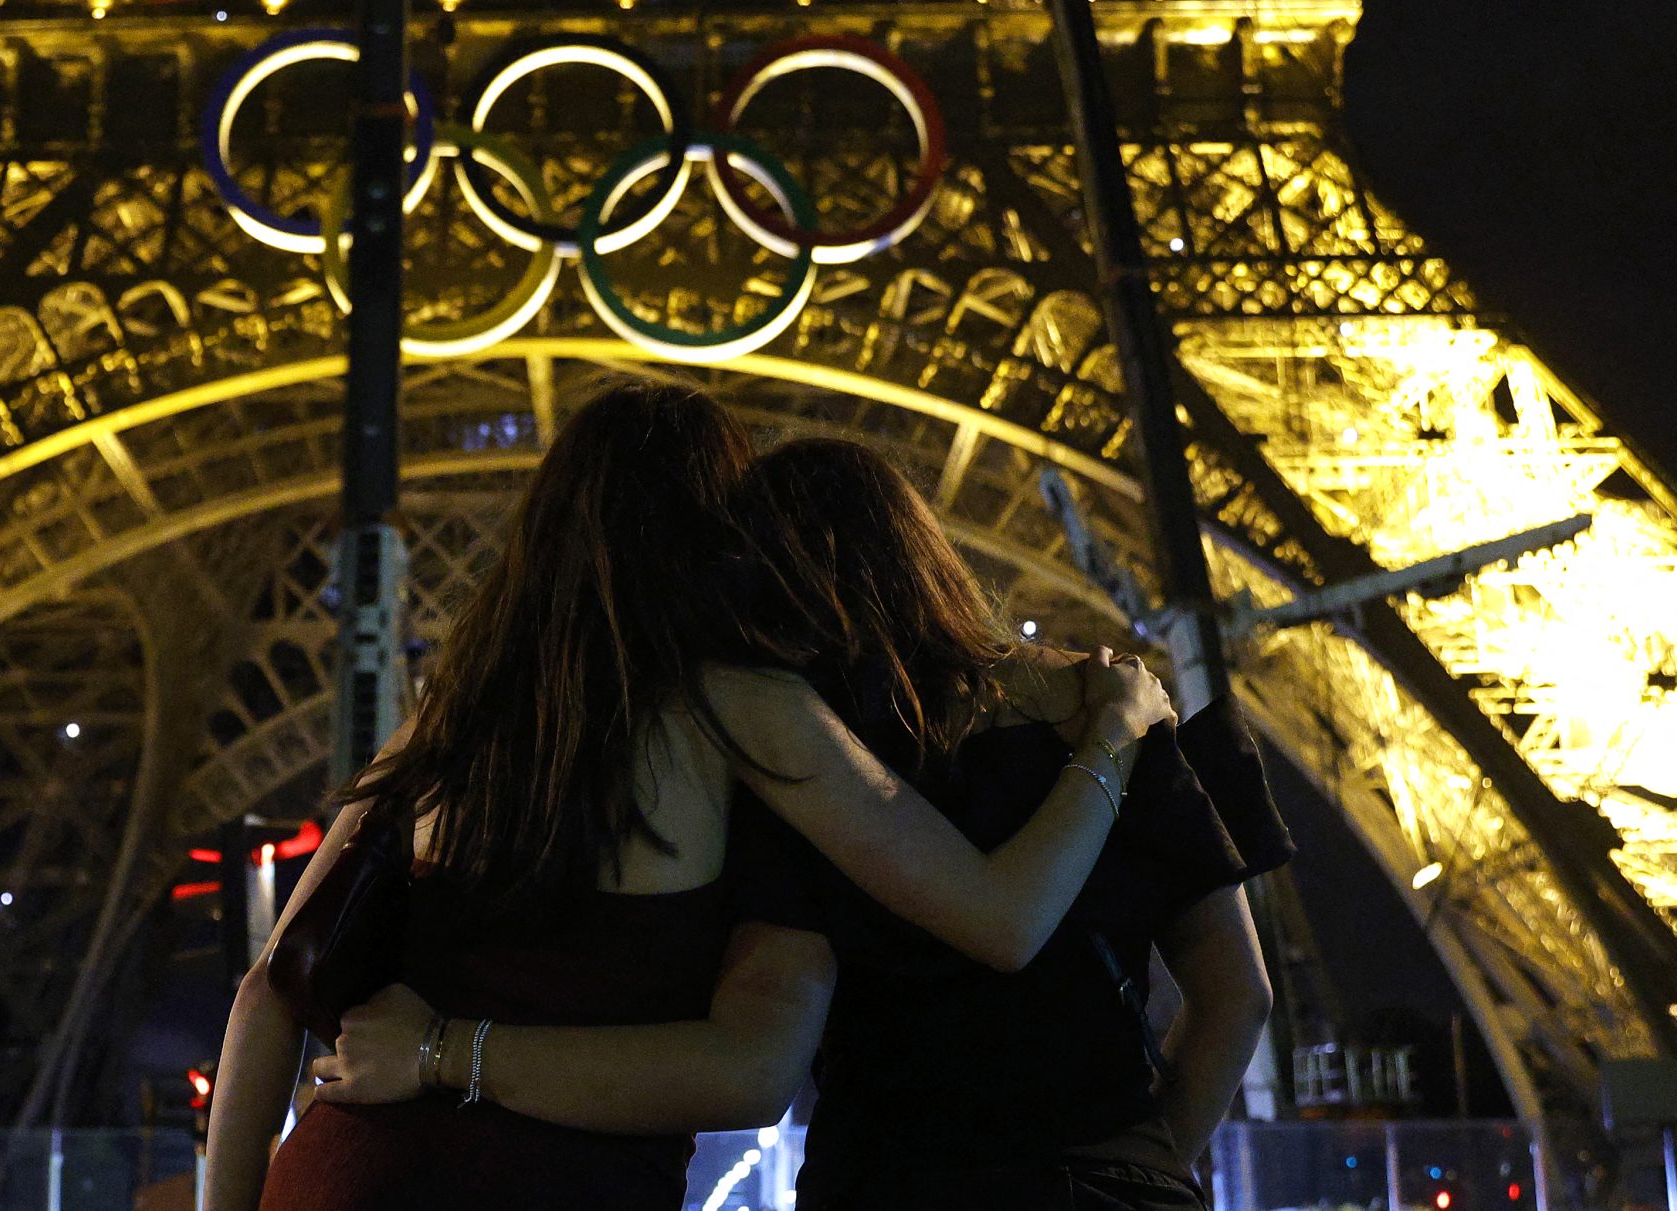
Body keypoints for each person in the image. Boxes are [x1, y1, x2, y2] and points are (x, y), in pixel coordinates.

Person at [205, 385, 1173, 1211]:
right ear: (717, 535)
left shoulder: (457, 711)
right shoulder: (743, 710)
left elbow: (268, 988)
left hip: (339, 1173)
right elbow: (1000, 918)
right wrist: (1114, 737)